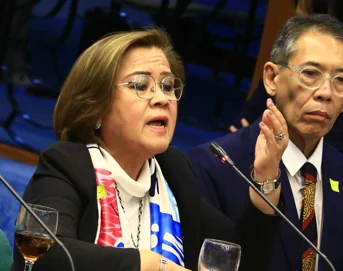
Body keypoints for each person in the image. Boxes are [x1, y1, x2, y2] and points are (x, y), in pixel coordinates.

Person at [11, 28, 288, 271]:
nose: (162, 99)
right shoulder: (67, 165)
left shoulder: (172, 173)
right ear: (95, 107)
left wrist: (265, 182)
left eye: (168, 86)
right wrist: (153, 265)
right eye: (141, 85)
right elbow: (44, 256)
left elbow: (235, 258)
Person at [188, 14, 343, 271]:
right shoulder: (214, 165)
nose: (325, 93)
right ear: (271, 78)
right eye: (311, 73)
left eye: (341, 81)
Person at [229, 0, 343, 167]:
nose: (325, 92)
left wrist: (265, 153)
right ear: (272, 78)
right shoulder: (284, 72)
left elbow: (322, 170)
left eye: (319, 24)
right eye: (300, 21)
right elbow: (237, 138)